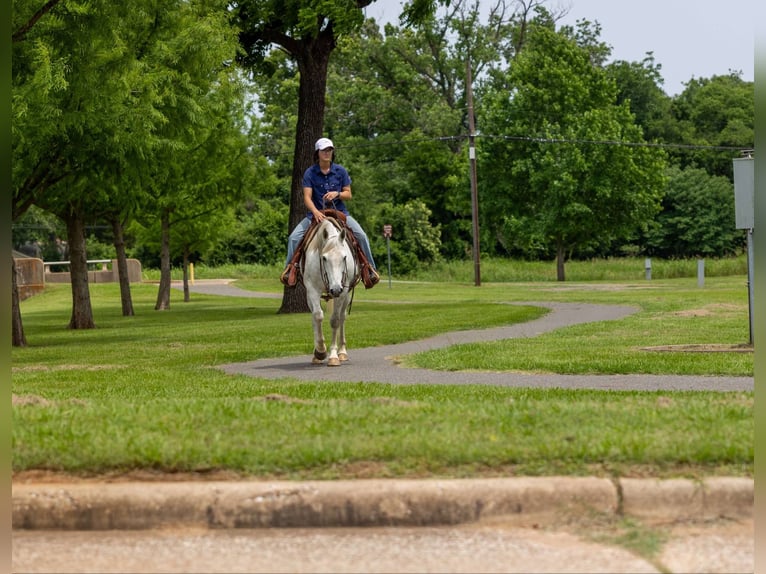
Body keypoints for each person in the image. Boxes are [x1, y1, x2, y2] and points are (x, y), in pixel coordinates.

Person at [281, 137, 379, 288]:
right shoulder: (310, 173)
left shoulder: (341, 171)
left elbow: (349, 194)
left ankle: (369, 269)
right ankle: (290, 269)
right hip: (316, 214)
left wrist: (337, 194)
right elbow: (307, 197)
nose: (327, 153)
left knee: (361, 235)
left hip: (339, 212)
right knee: (294, 238)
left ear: (333, 152)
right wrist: (315, 212)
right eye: (324, 150)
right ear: (317, 153)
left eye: (329, 150)